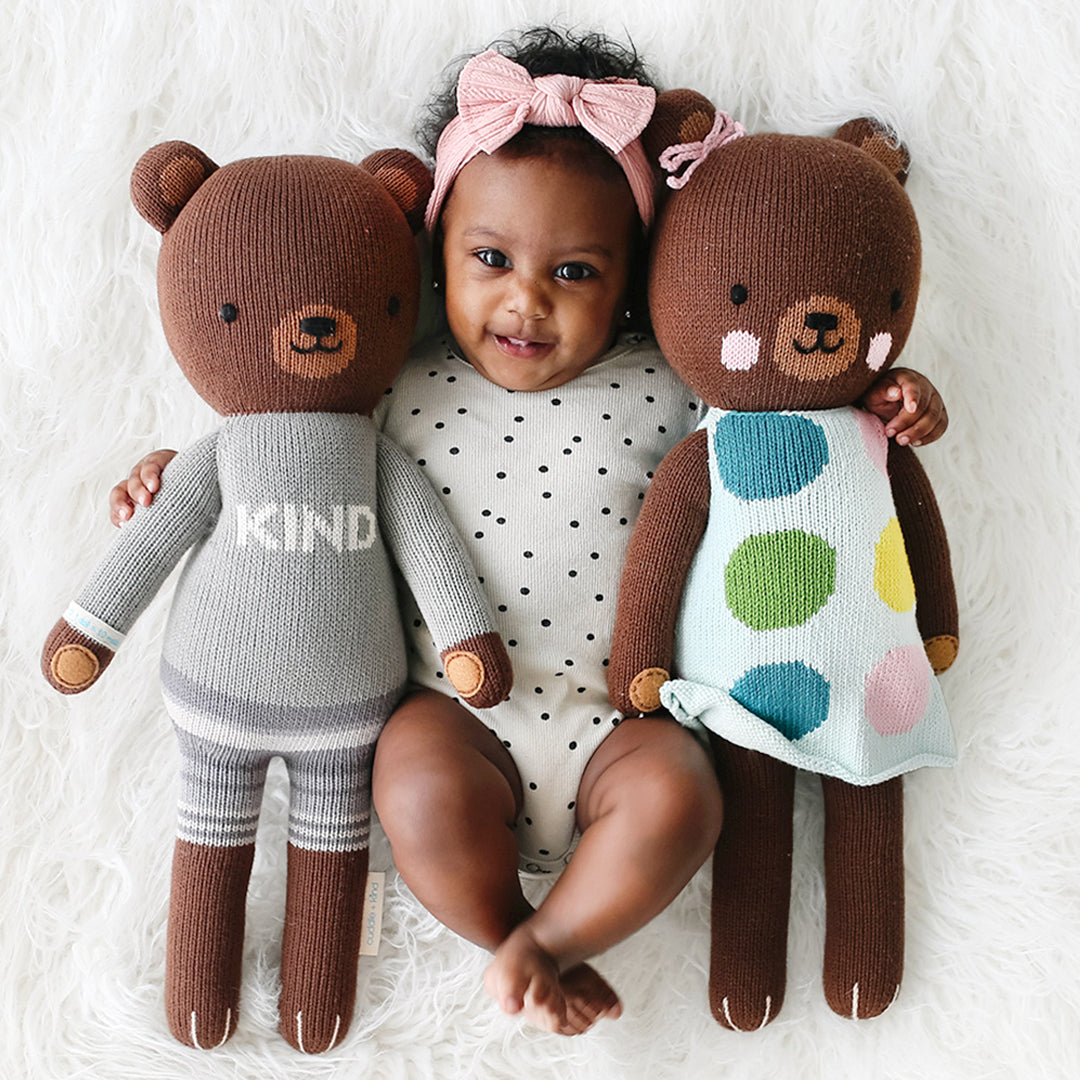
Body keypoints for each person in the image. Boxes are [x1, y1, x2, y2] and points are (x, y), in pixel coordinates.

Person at [108, 28, 949, 1037]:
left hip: (627, 724)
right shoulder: (391, 380)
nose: (527, 298)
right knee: (410, 778)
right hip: (461, 718)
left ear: (637, 282)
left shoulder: (671, 382)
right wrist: (166, 470)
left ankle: (551, 942)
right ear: (435, 254)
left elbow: (785, 399)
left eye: (578, 272)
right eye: (491, 258)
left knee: (685, 798)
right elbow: (276, 448)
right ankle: (511, 928)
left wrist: (888, 396)